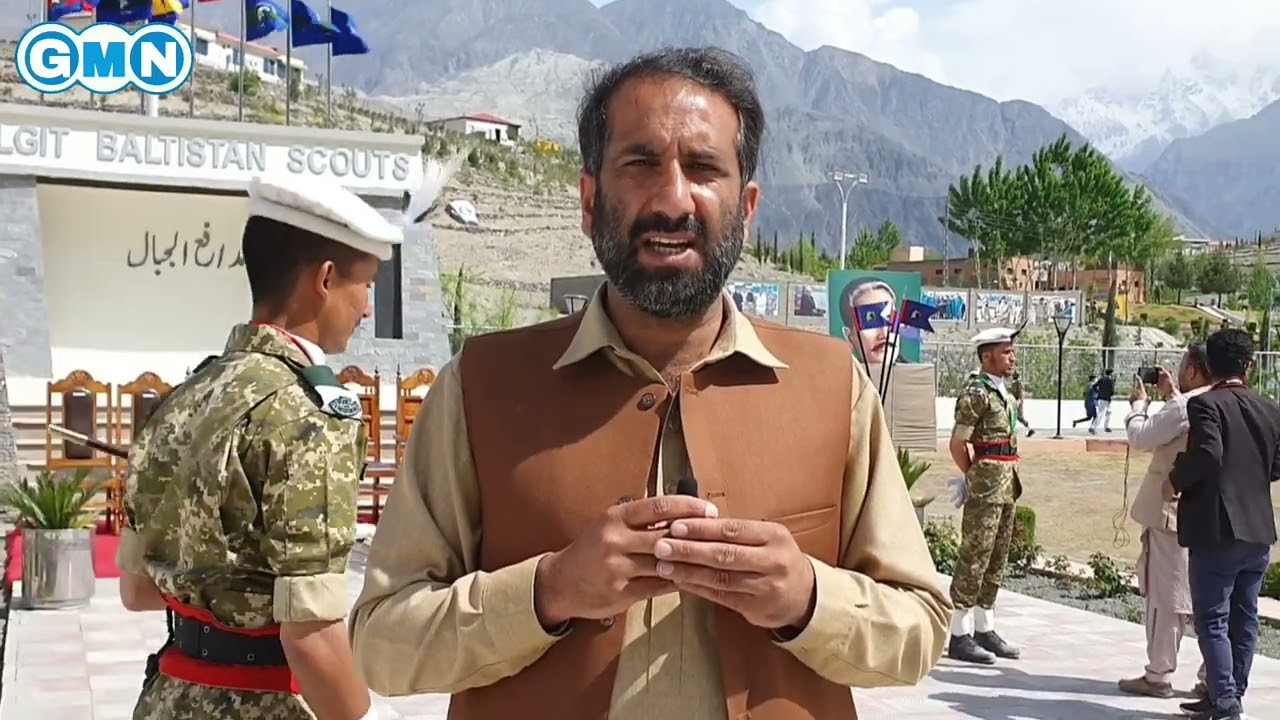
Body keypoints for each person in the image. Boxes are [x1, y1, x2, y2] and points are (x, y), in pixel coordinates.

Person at [349, 46, 950, 720]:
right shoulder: (480, 389)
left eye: (703, 168)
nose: (671, 199)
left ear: (745, 206)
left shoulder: (833, 389)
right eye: (639, 165)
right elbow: (383, 643)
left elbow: (919, 631)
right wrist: (547, 593)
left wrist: (807, 597)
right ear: (589, 199)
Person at [115, 174, 423, 720]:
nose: (368, 310)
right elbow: (310, 636)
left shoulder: (180, 399)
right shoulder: (309, 418)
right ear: (325, 279)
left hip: (168, 698)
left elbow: (137, 591)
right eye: (366, 286)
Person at [1169, 328, 1280, 720]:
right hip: (1258, 530)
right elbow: (1276, 465)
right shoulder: (1270, 409)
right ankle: (1228, 694)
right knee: (1244, 617)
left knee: (1212, 619)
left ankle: (1226, 702)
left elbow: (1207, 455)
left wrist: (1174, 478)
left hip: (1218, 529)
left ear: (1209, 365)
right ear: (1248, 366)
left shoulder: (1206, 406)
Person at [1115, 344, 1211, 699]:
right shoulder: (1221, 399)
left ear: (1192, 371)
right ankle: (1212, 675)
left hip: (1173, 512)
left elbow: (1141, 437)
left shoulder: (1186, 407)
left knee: (1167, 595)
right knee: (1211, 596)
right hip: (1212, 514)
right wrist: (1171, 394)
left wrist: (1139, 405)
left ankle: (1158, 674)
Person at [946, 326, 1024, 665]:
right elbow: (957, 442)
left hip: (1007, 482)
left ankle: (984, 627)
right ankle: (959, 634)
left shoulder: (1004, 390)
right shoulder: (977, 392)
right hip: (987, 482)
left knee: (997, 557)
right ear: (986, 356)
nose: (1012, 357)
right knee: (975, 555)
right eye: (1006, 352)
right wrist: (971, 476)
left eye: (1011, 351)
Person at [836, 277, 898, 365]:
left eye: (890, 318)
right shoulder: (839, 376)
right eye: (870, 320)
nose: (884, 334)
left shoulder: (920, 376)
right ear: (849, 337)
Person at [1008, 371, 1034, 437]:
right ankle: (1011, 431)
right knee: (1011, 416)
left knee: (1019, 417)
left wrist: (1018, 402)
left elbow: (1020, 395)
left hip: (1017, 402)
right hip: (1012, 402)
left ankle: (1030, 429)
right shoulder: (1012, 383)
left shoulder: (1018, 383)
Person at [1090, 368, 1116, 433]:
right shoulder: (1111, 381)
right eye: (1113, 373)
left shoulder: (1101, 379)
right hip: (1106, 399)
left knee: (1109, 412)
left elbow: (1094, 386)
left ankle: (1106, 427)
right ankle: (1093, 427)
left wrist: (1098, 392)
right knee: (1101, 413)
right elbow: (1112, 391)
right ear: (1110, 373)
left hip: (1101, 398)